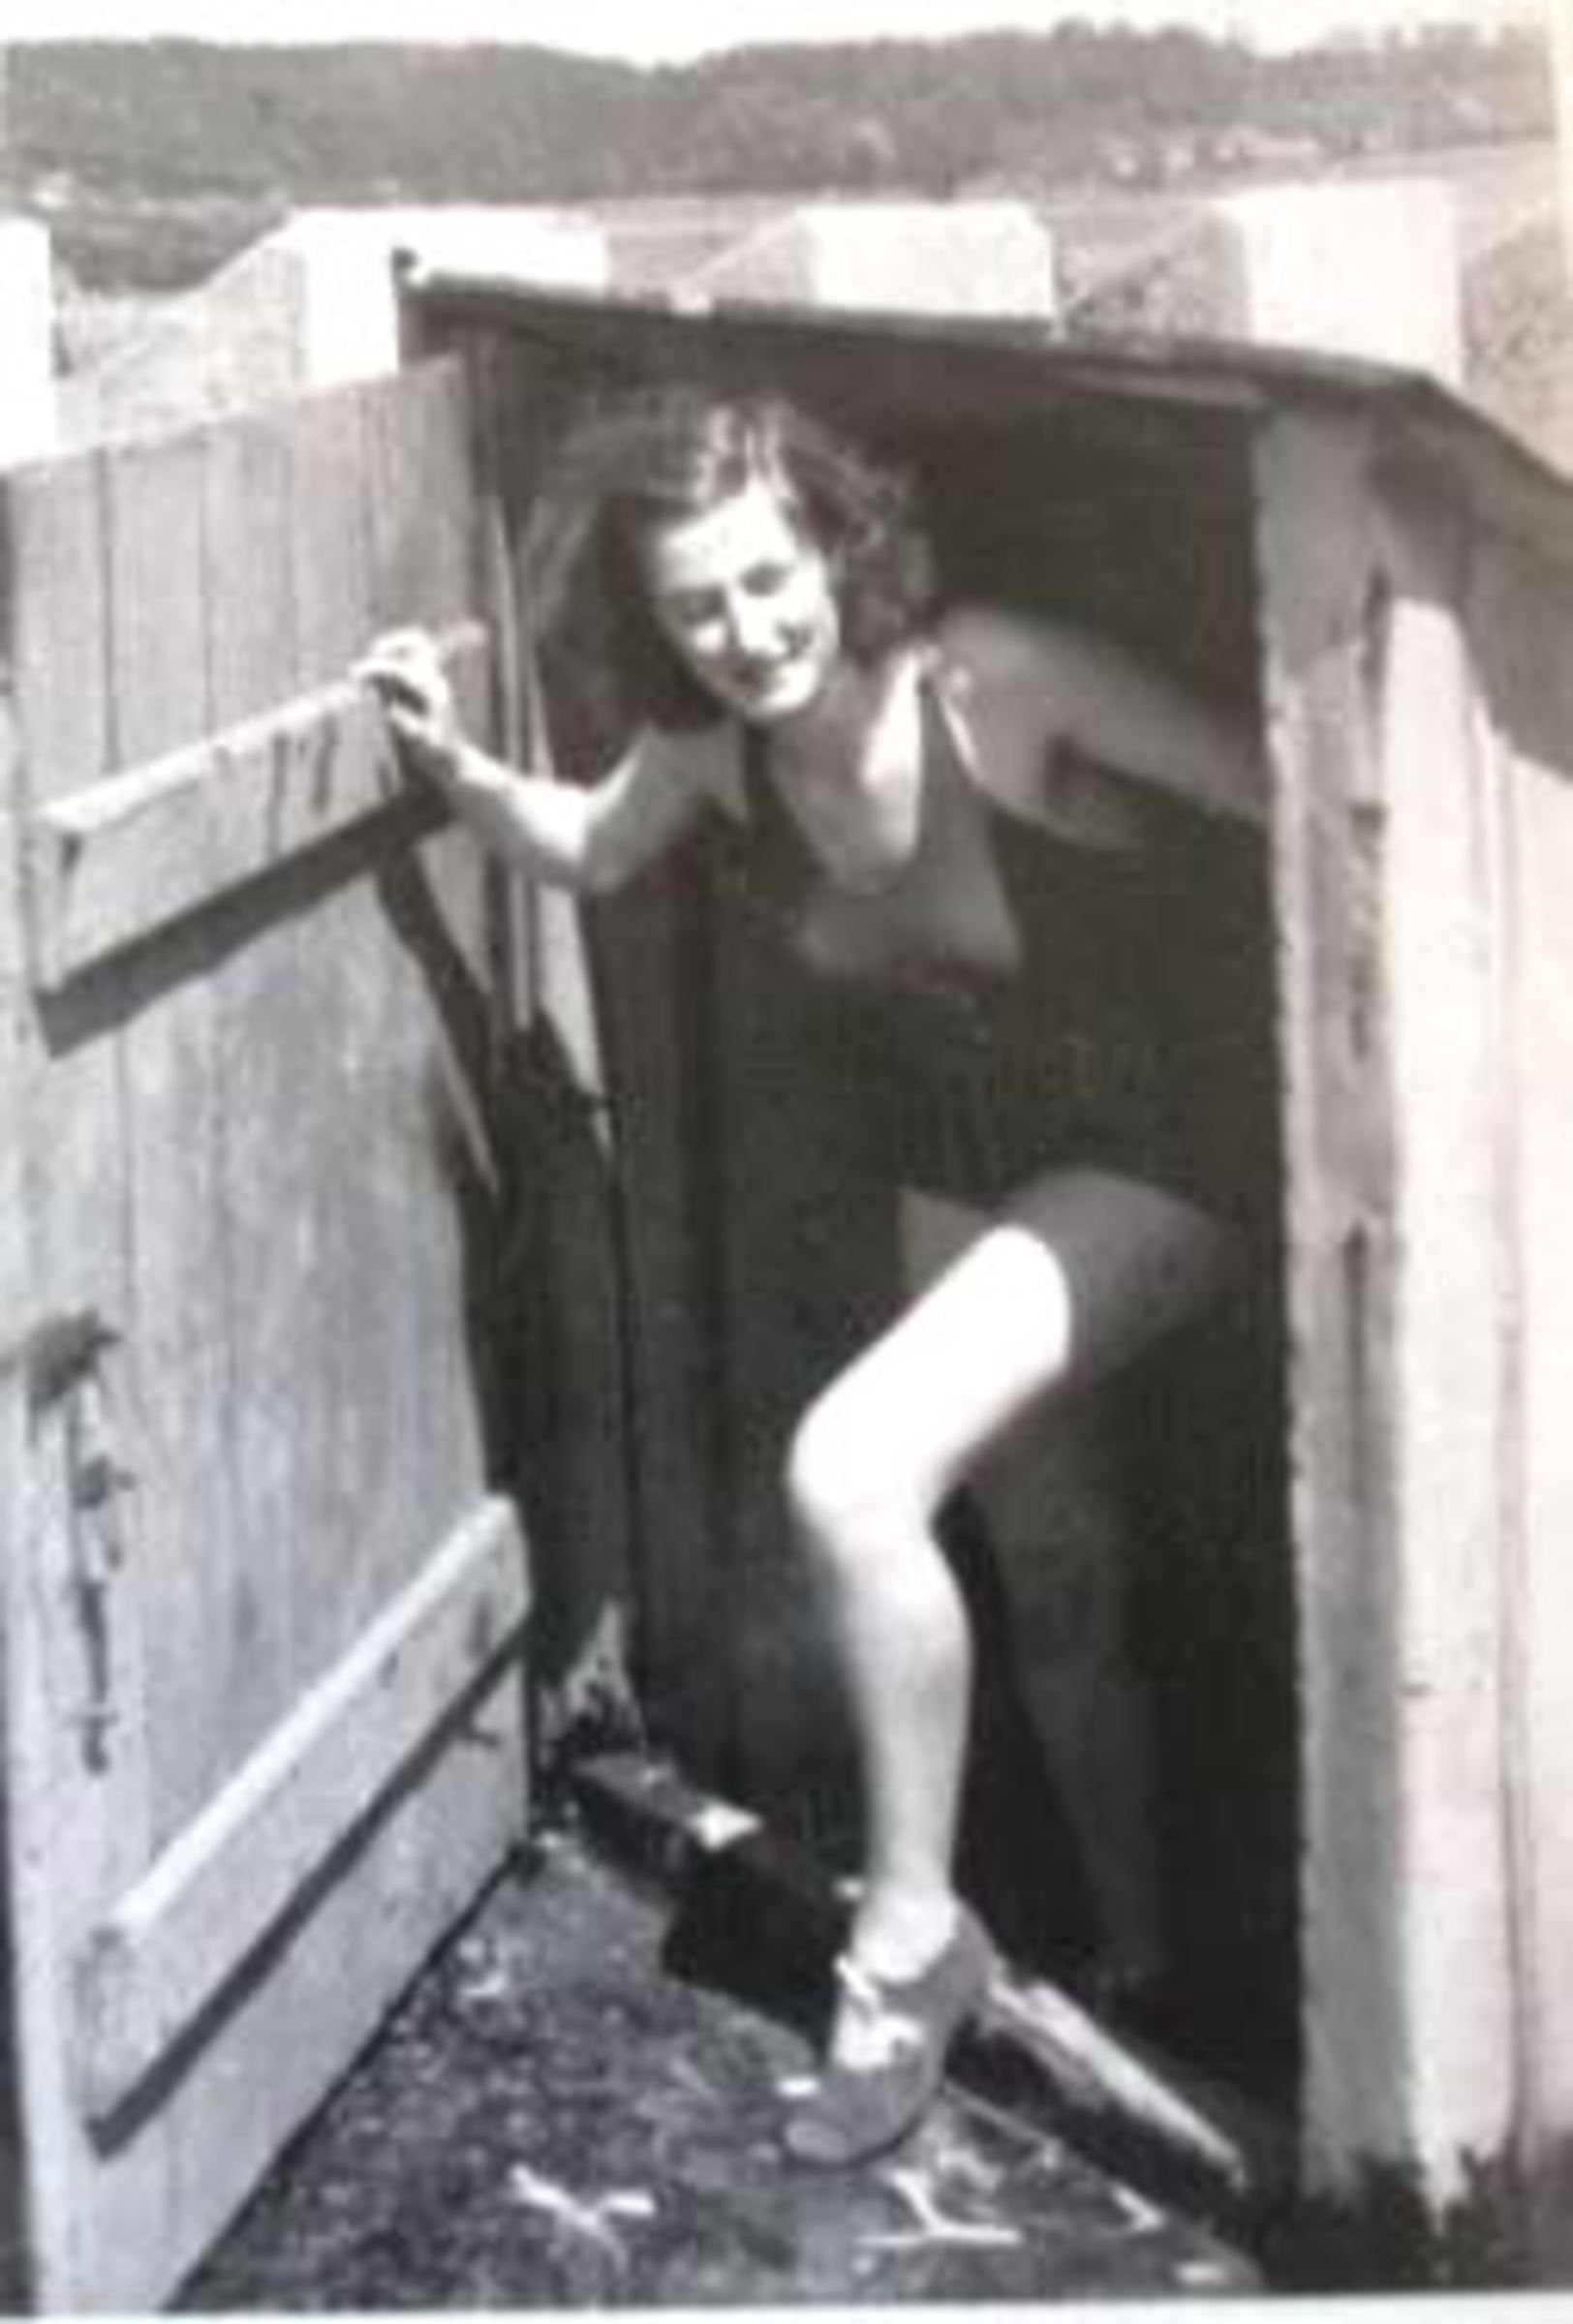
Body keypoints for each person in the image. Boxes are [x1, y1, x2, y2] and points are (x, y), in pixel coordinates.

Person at [356, 386, 1273, 2169]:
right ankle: (1148, 1972)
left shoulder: (1002, 680)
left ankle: (910, 1941)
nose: (747, 632)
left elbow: (1314, 785)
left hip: (1165, 1133)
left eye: (770, 580)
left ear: (840, 549)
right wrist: (446, 762)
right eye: (697, 606)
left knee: (851, 1473)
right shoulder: (715, 759)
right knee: (1058, 1566)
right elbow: (580, 845)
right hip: (968, 1145)